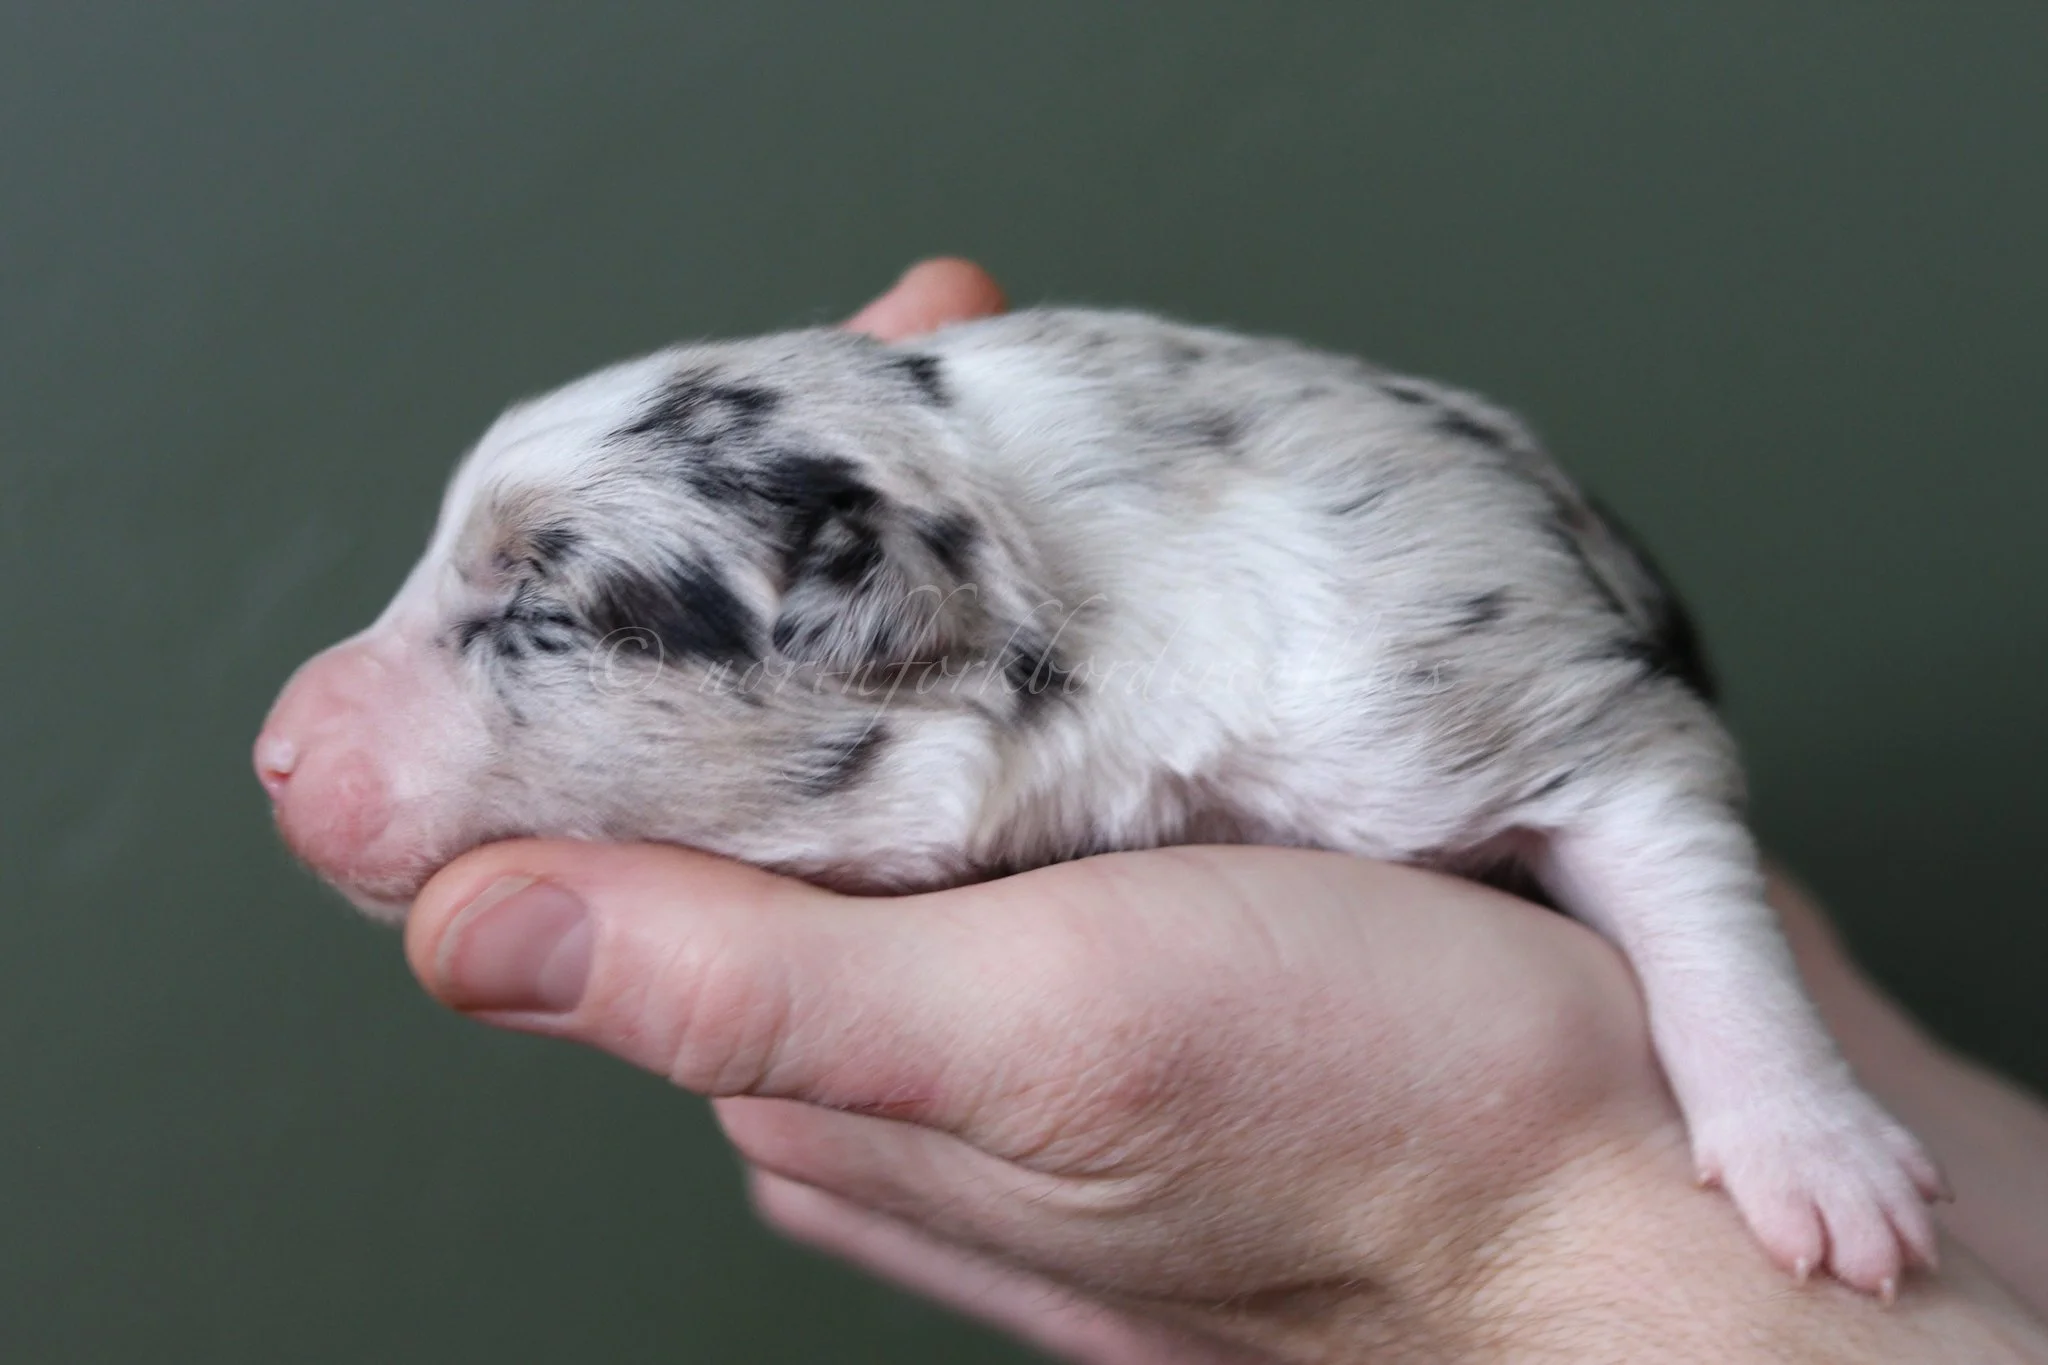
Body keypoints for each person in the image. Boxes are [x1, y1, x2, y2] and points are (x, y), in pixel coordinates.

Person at [402, 260, 2048, 1363]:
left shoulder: (1365, 671)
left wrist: (1628, 1178)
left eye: (521, 621)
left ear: (880, 624)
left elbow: (1621, 775)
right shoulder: (968, 564)